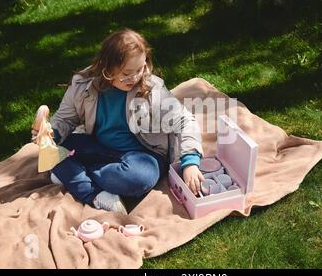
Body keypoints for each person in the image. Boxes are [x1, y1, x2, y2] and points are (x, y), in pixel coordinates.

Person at [31, 28, 205, 213]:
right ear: (107, 68)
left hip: (144, 155)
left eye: (140, 69)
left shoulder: (153, 89)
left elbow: (185, 121)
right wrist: (51, 134)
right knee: (50, 147)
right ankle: (93, 192)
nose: (135, 77)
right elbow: (65, 118)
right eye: (126, 73)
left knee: (139, 180)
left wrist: (190, 162)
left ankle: (69, 172)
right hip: (99, 147)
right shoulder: (83, 85)